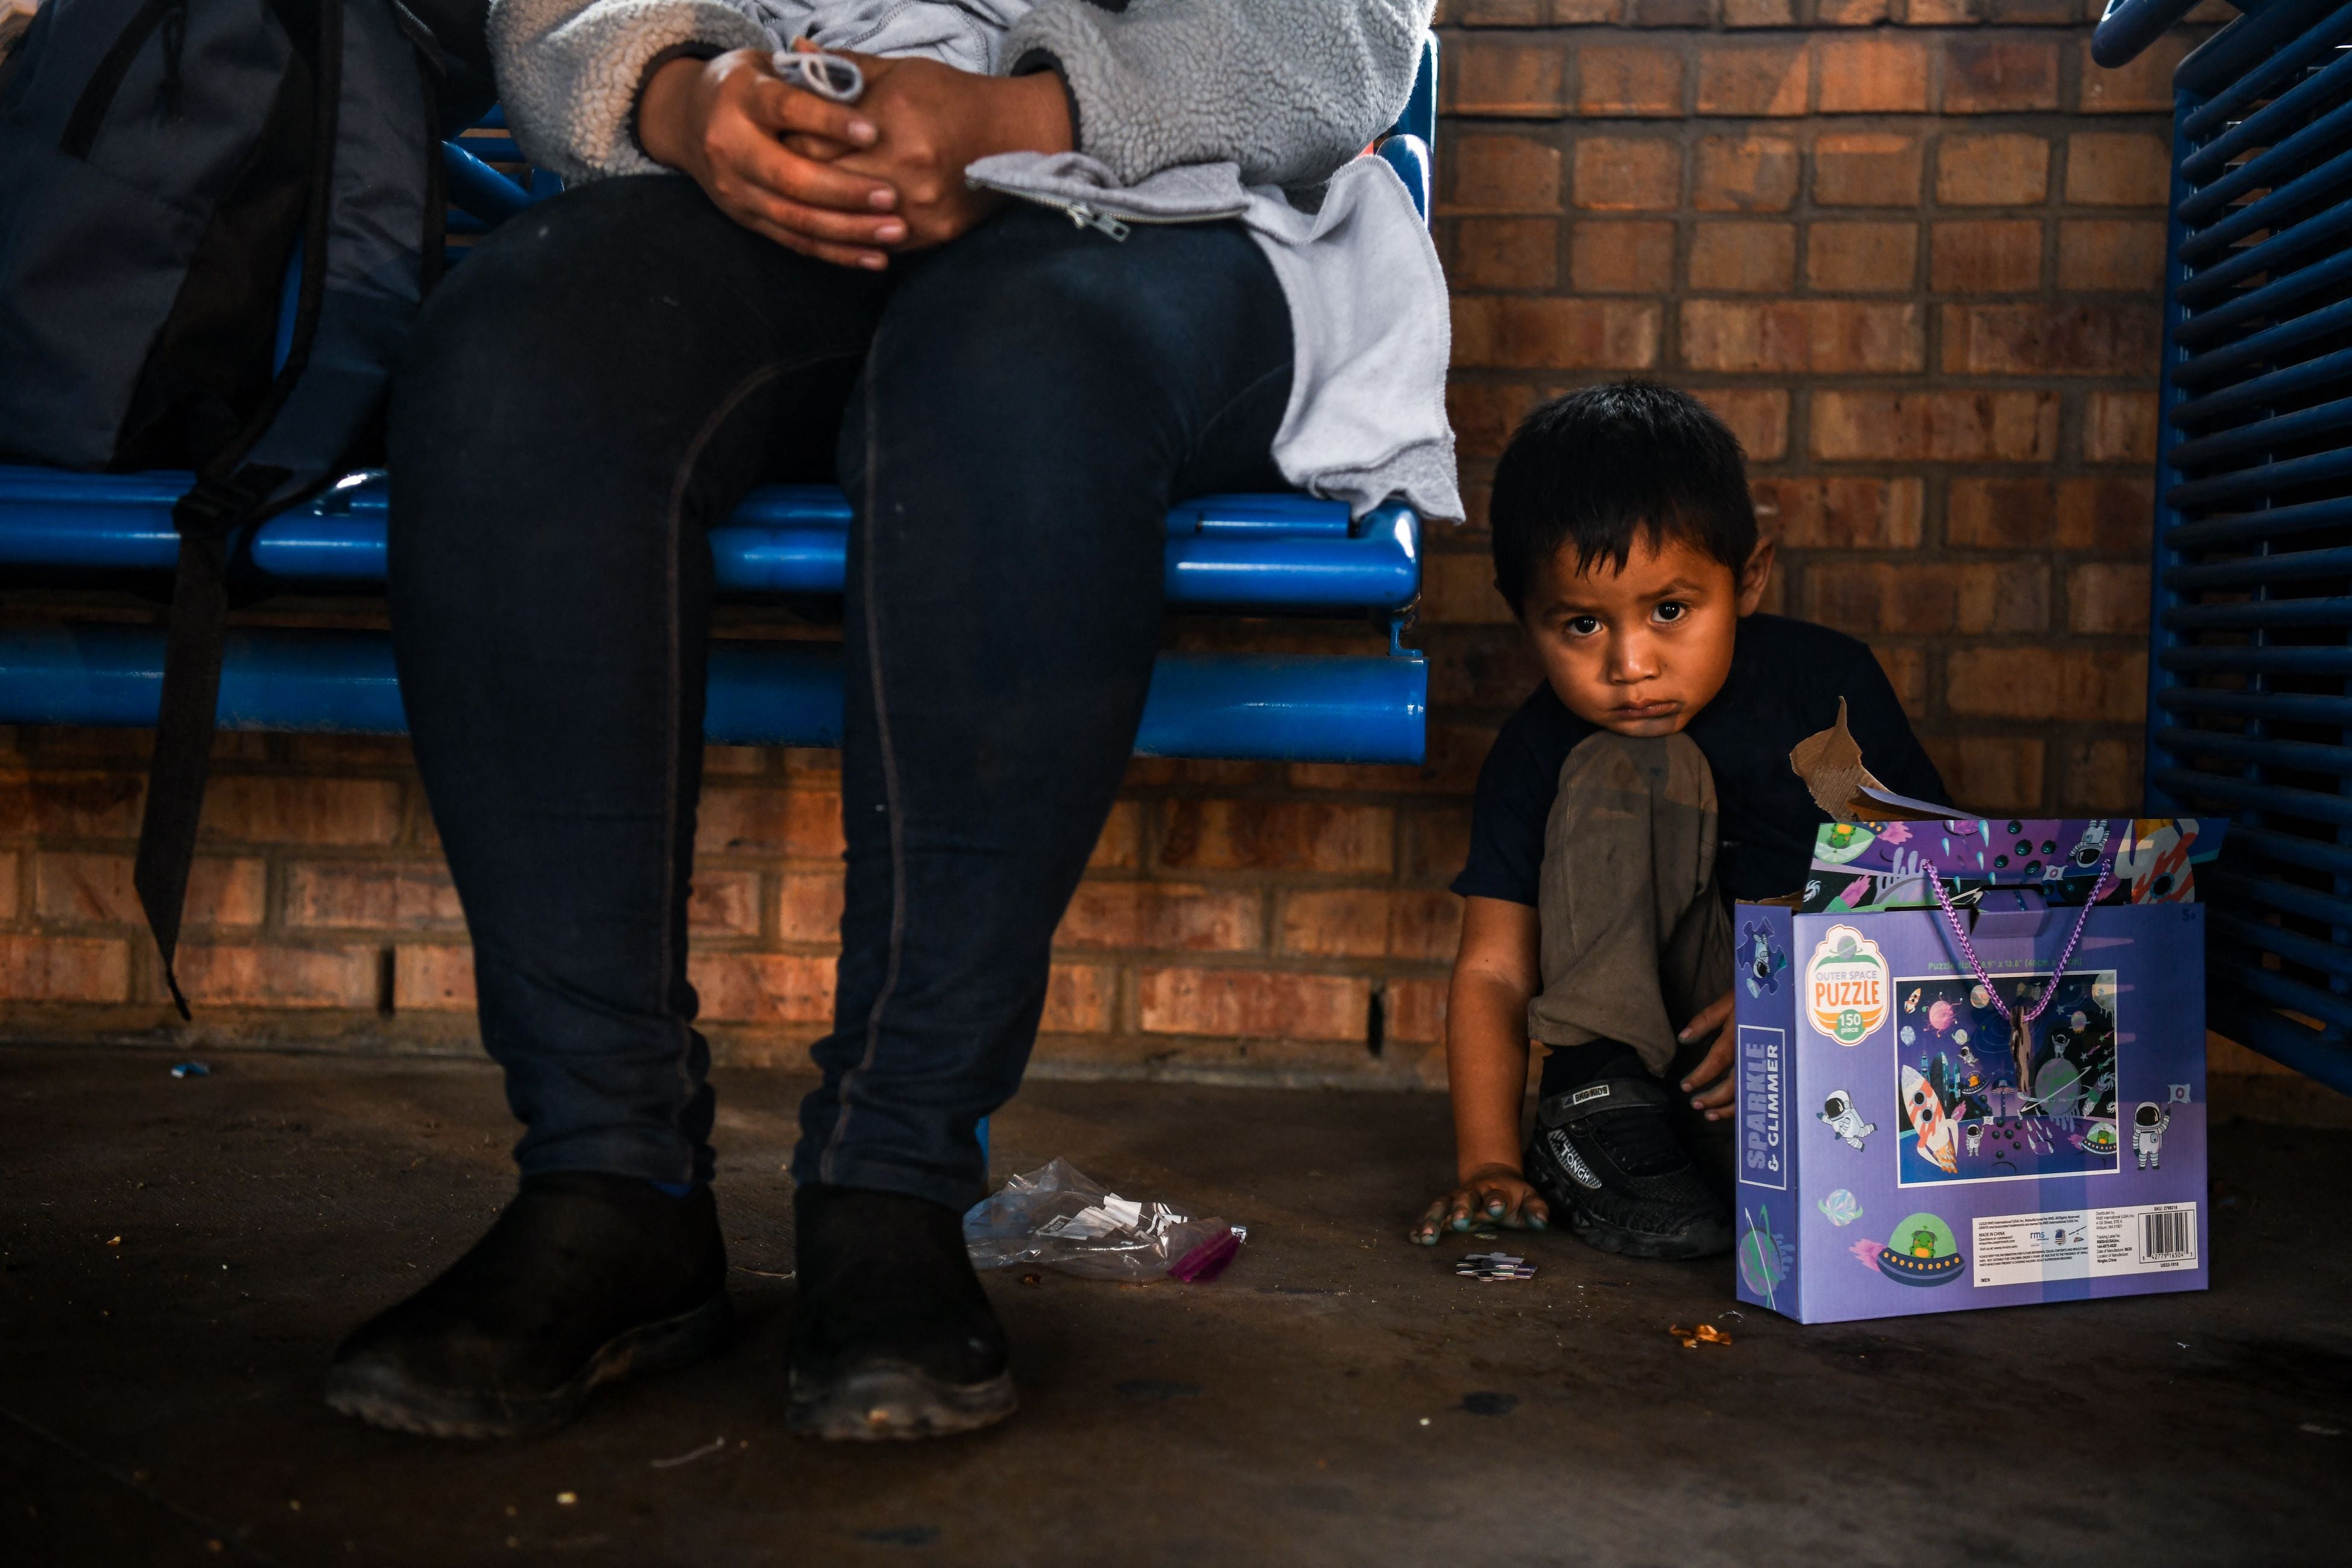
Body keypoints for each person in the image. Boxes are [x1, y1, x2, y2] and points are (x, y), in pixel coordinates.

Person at [321, 0, 1449, 1443]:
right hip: (763, 186)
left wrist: (1017, 120)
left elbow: (1341, 29)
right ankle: (608, 1182)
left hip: (1157, 206)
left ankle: (893, 1178)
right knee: (517, 353)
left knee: (1016, 365)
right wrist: (683, 99)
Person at [1408, 384, 1946, 1260]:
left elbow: (1939, 885)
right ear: (1525, 616)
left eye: (1670, 611)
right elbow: (1496, 971)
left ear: (1750, 578)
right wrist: (1489, 1162)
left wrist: (1794, 998)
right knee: (1631, 760)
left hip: (1822, 1054)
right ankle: (1594, 1106)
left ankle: (1725, 1152)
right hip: (1653, 1072)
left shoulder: (1825, 694)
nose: (1631, 665)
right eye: (1582, 624)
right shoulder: (1538, 747)